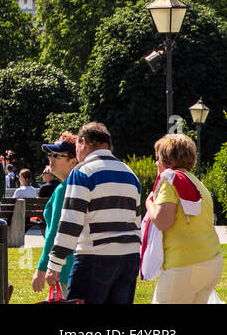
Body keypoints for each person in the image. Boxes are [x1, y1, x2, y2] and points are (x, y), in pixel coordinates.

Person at [44, 122, 141, 304]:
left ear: (83, 142)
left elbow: (70, 223)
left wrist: (54, 264)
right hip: (129, 258)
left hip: (94, 258)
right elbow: (136, 221)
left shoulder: (82, 172)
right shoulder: (130, 174)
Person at [144, 134, 222, 304]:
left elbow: (162, 221)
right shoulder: (198, 184)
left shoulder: (170, 180)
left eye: (158, 158)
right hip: (211, 262)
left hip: (184, 266)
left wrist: (149, 203)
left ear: (168, 160)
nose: (156, 163)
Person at [30, 134, 79, 299]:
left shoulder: (63, 189)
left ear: (74, 161)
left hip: (63, 269)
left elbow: (54, 232)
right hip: (76, 268)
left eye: (57, 155)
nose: (51, 158)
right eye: (50, 154)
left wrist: (42, 267)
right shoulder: (77, 186)